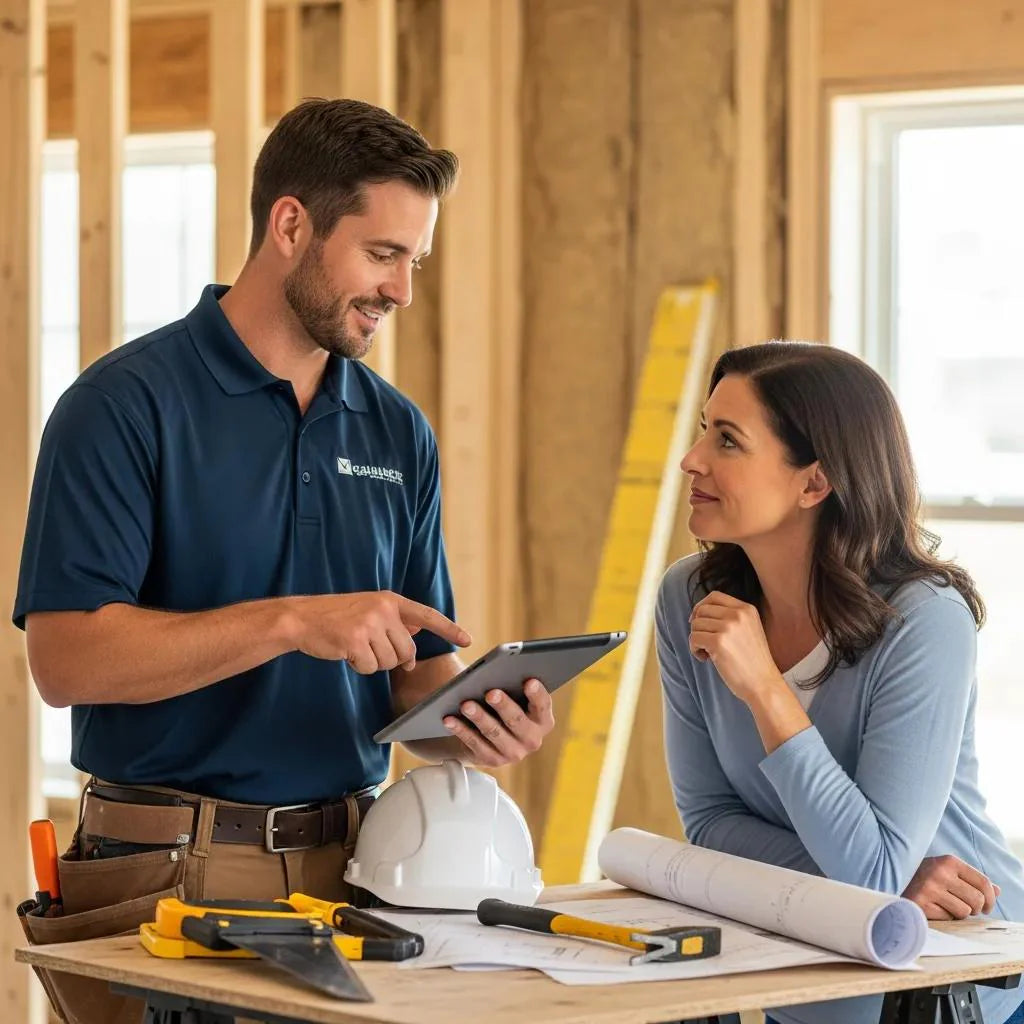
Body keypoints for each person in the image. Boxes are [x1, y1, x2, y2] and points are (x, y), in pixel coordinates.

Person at [14, 98, 554, 1023]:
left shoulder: (396, 430)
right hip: (164, 871)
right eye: (383, 255)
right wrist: (295, 620)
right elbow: (65, 662)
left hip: (358, 871)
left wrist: (472, 720)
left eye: (415, 262)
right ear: (290, 224)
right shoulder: (124, 406)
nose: (402, 292)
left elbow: (410, 688)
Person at [656, 341, 1024, 1024]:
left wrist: (765, 689)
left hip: (959, 987)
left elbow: (873, 874)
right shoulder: (688, 597)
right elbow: (708, 826)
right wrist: (873, 875)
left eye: (728, 441)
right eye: (705, 429)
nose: (693, 459)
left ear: (813, 484)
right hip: (803, 986)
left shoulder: (925, 620)